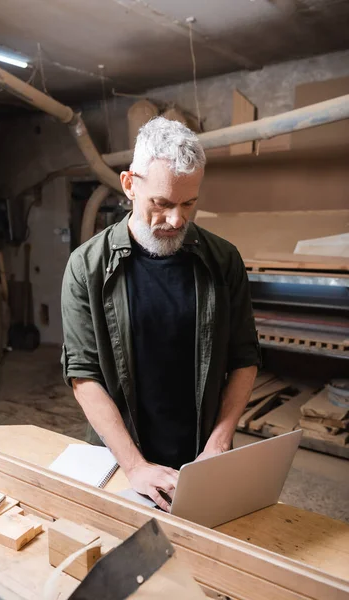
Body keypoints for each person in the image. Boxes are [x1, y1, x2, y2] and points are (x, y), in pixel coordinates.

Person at [61, 117, 261, 511]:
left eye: (189, 203)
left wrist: (218, 444)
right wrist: (135, 466)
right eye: (162, 203)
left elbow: (244, 357)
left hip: (202, 455)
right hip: (120, 459)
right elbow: (83, 375)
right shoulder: (86, 267)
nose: (176, 220)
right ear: (129, 185)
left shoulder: (223, 260)